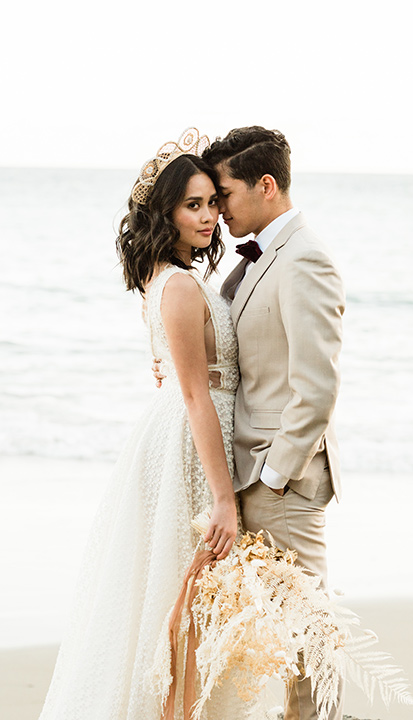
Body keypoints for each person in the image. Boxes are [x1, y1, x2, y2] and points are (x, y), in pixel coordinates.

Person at [38, 128, 247, 720]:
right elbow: (195, 397)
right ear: (167, 212)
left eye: (213, 202)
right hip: (188, 444)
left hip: (183, 430)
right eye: (194, 205)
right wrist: (224, 501)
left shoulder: (172, 276)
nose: (209, 216)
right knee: (181, 603)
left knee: (184, 601)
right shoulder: (179, 286)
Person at [155, 126, 346, 720]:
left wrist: (275, 478)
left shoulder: (305, 257)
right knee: (266, 642)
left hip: (279, 482)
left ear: (266, 186)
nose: (220, 208)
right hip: (245, 476)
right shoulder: (259, 258)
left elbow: (316, 389)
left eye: (226, 193)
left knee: (308, 639)